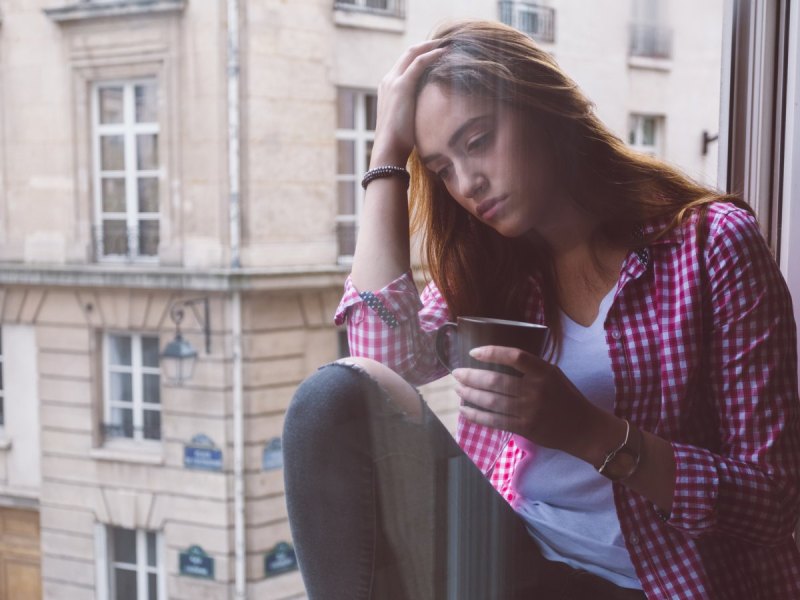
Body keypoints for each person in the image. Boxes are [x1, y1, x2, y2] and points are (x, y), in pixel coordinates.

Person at [282, 19, 800, 600]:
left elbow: (774, 500)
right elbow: (376, 369)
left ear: (542, 110)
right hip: (511, 549)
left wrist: (590, 433)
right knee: (328, 400)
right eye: (443, 169)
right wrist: (387, 156)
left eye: (477, 141)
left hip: (653, 580)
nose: (468, 183)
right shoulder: (494, 268)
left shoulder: (711, 245)